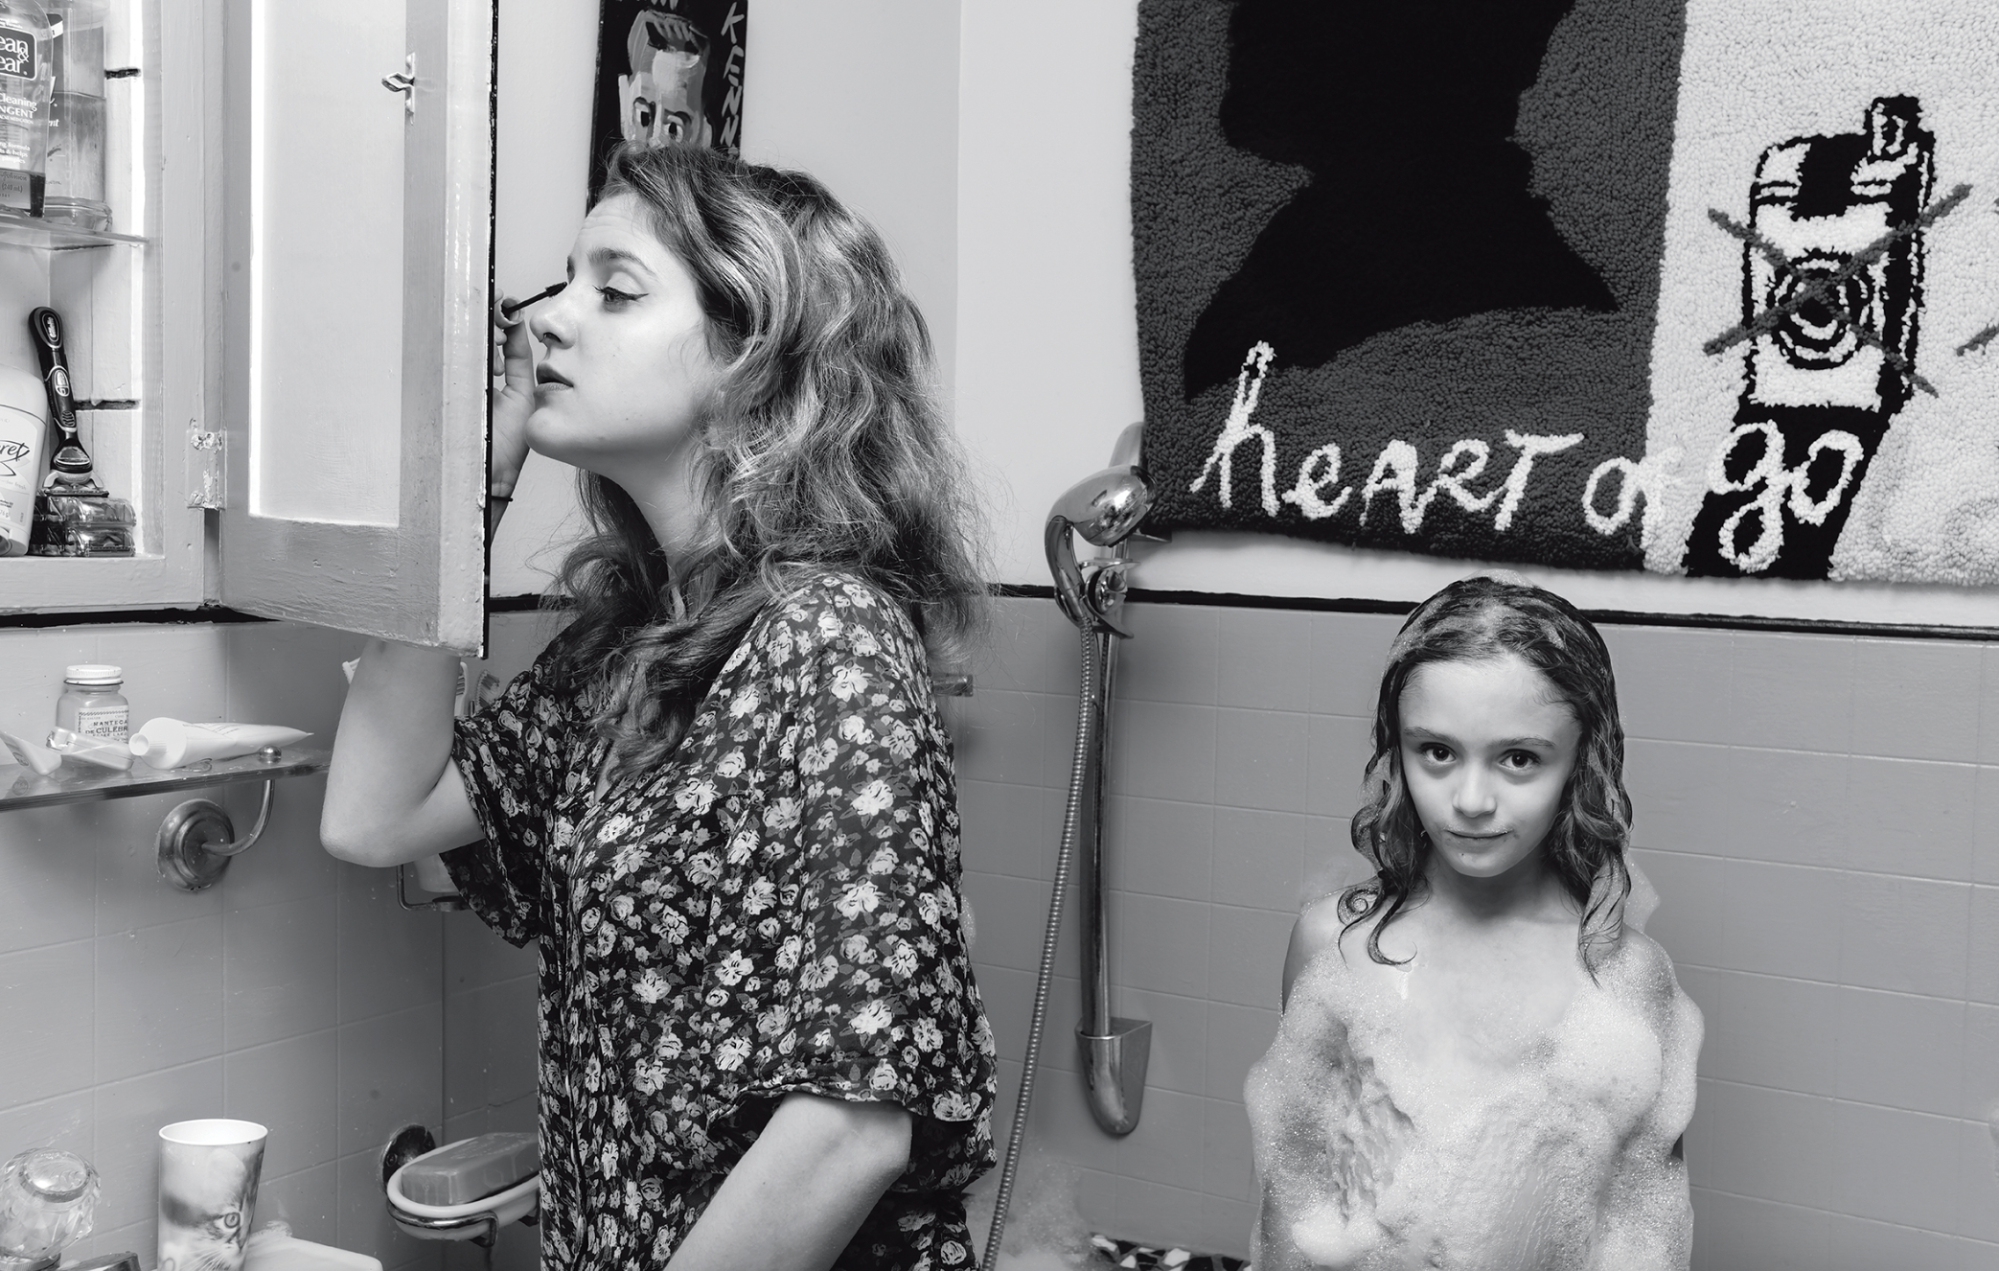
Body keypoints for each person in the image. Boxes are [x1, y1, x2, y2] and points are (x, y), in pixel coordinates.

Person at [322, 142, 996, 1271]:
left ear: (753, 356)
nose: (546, 319)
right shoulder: (629, 645)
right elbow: (373, 819)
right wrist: (459, 500)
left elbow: (851, 1128)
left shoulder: (825, 633)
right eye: (564, 279)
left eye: (614, 289)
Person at [1247, 575, 1702, 1270]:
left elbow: (1644, 1234)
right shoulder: (1334, 947)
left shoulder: (1625, 979)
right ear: (1395, 748)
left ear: (1580, 763)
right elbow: (1295, 1197)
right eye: (1436, 751)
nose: (1469, 799)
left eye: (1517, 758)